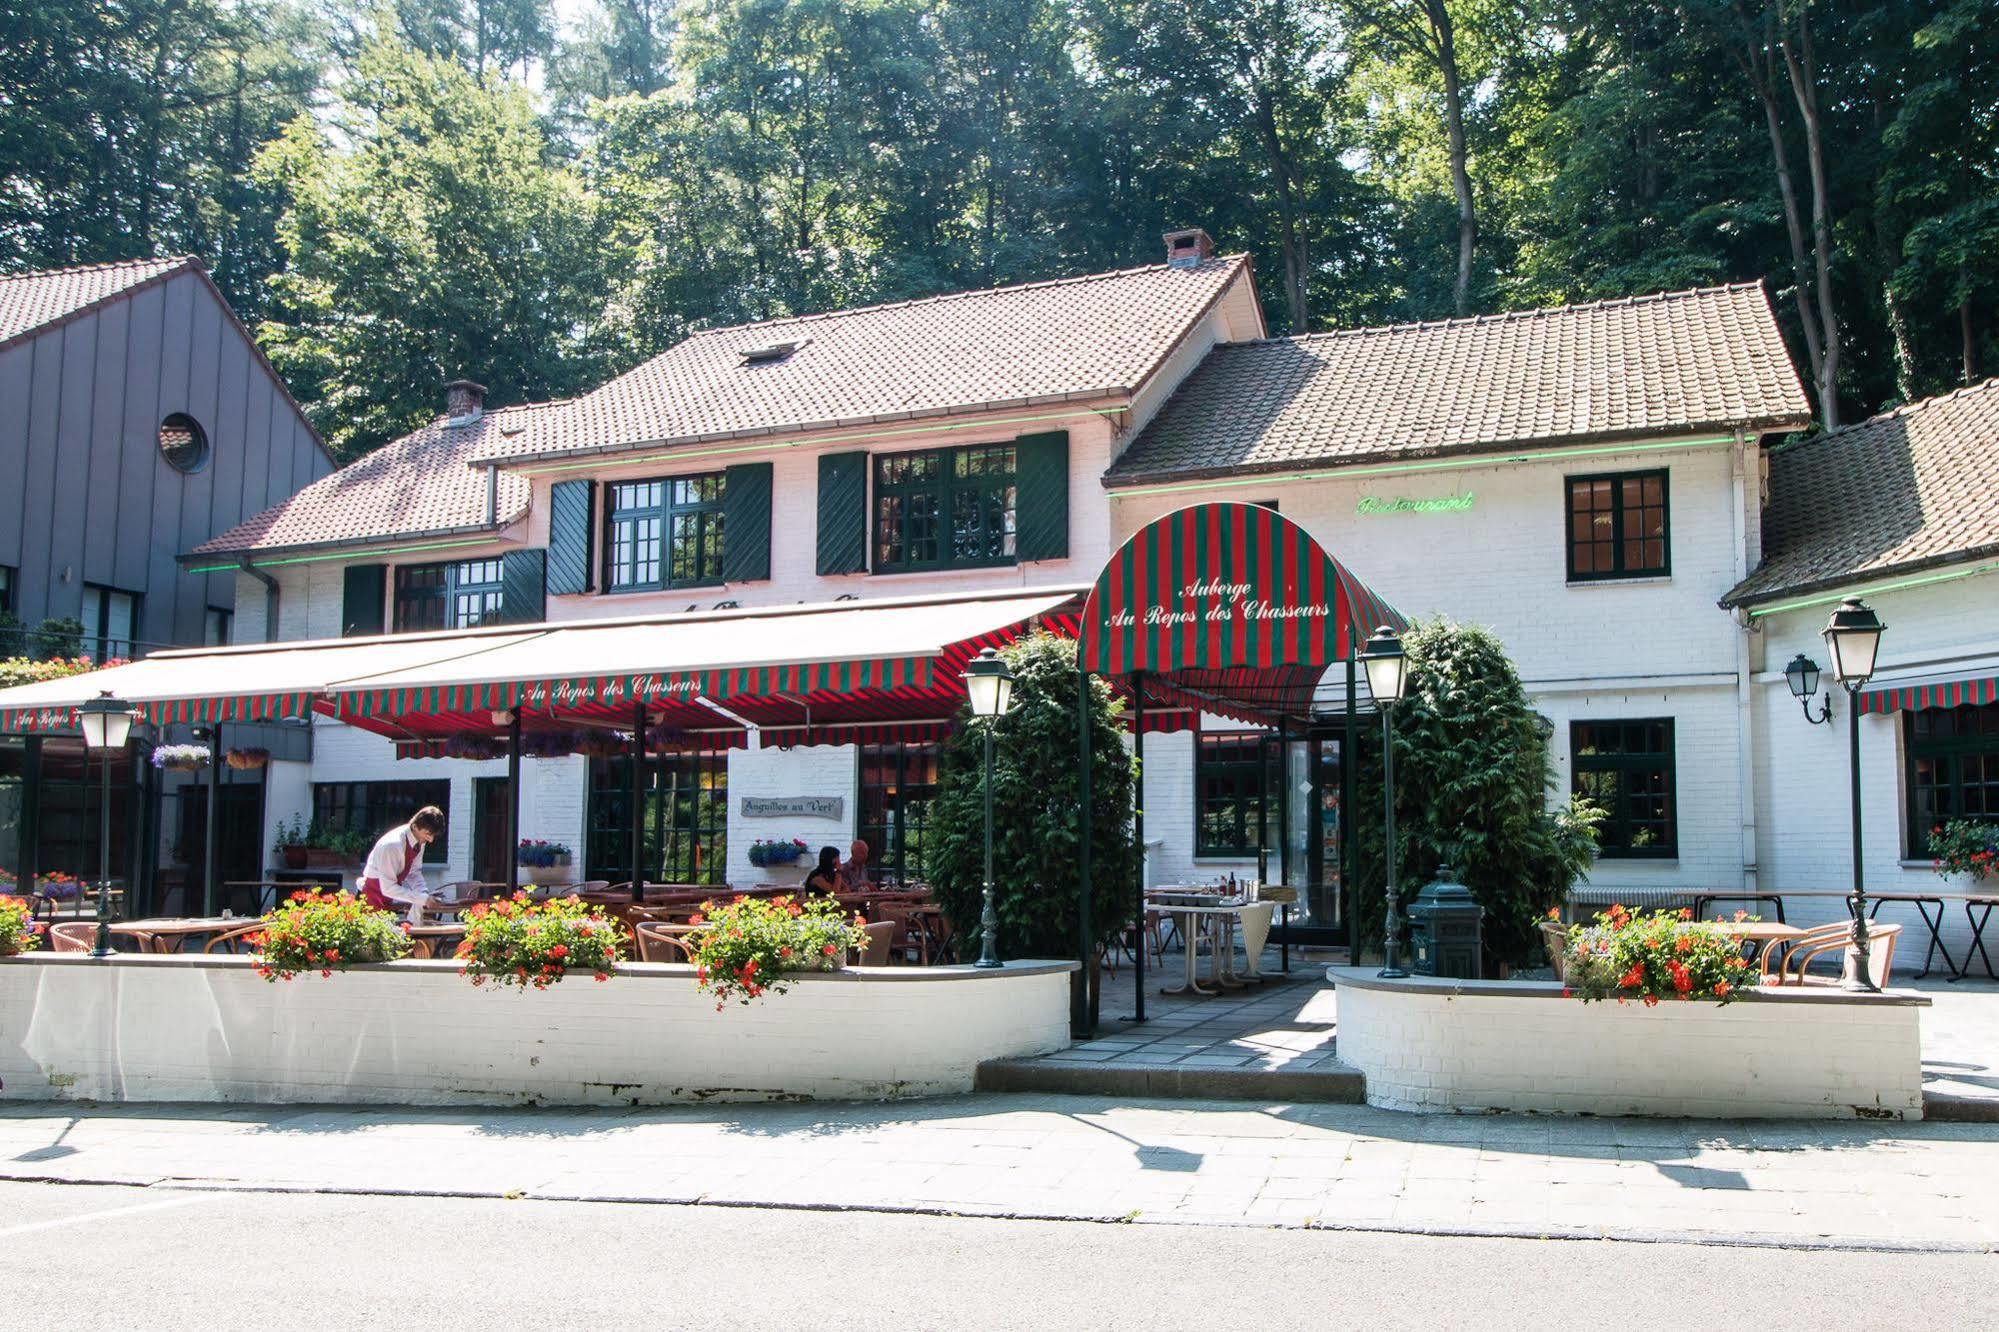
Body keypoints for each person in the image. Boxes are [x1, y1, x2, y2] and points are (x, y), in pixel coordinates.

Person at [359, 805, 447, 924]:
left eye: (433, 836)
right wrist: (422, 899)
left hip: (387, 894)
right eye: (428, 834)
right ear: (415, 826)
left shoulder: (420, 840)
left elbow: (414, 872)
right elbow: (388, 888)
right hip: (372, 895)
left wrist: (423, 893)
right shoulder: (392, 845)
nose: (430, 840)